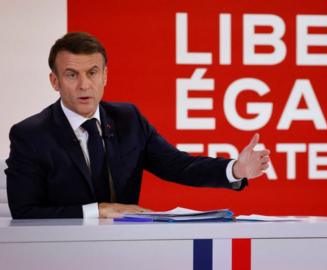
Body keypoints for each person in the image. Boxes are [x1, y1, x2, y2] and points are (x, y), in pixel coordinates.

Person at [5, 32, 270, 219]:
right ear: (55, 81)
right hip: (59, 254)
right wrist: (100, 209)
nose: (84, 85)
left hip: (127, 250)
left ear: (105, 75)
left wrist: (235, 169)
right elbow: (25, 211)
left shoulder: (128, 119)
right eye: (72, 75)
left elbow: (179, 166)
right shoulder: (30, 135)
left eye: (92, 73)